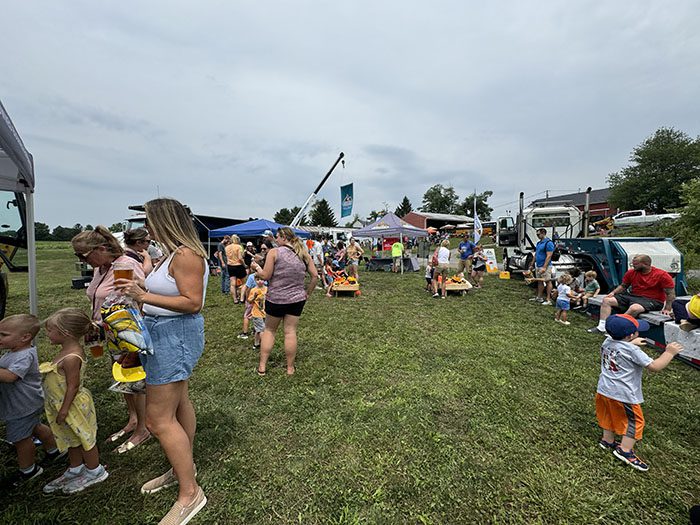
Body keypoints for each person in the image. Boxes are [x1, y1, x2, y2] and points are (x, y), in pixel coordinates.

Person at [116, 197, 208, 524]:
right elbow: (169, 294)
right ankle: (183, 467)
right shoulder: (170, 253)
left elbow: (192, 302)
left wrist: (143, 296)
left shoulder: (186, 255)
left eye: (149, 220)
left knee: (157, 420)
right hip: (164, 333)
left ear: (164, 220)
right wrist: (141, 288)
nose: (146, 228)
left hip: (175, 335)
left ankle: (190, 493)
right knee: (179, 401)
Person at [71, 226, 149, 453]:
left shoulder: (125, 265)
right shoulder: (100, 268)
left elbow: (142, 294)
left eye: (82, 255)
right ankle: (133, 419)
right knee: (120, 375)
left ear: (102, 248)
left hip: (127, 331)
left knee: (134, 378)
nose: (81, 260)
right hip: (108, 331)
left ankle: (143, 428)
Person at [595, 314, 683, 471]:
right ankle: (625, 450)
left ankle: (607, 440)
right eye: (636, 331)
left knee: (608, 414)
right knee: (634, 422)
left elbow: (619, 346)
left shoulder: (607, 341)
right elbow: (655, 366)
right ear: (630, 335)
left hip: (603, 390)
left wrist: (630, 343)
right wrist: (669, 352)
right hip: (623, 395)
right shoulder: (633, 351)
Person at [41, 308, 108, 494]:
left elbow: (73, 386)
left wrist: (64, 409)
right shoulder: (65, 350)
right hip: (62, 403)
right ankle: (76, 467)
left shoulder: (71, 357)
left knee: (84, 436)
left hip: (72, 406)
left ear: (66, 333)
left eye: (50, 330)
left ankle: (95, 470)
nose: (47, 334)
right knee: (71, 437)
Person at [0, 314, 61, 488]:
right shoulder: (15, 351)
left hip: (21, 405)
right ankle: (54, 450)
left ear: (25, 337)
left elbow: (11, 376)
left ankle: (29, 470)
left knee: (22, 439)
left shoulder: (24, 356)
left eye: (4, 335)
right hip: (27, 404)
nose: (0, 339)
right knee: (35, 426)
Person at [250, 227, 318, 376]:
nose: (275, 239)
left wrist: (256, 268)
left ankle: (262, 367)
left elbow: (266, 275)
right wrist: (307, 293)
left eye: (277, 236)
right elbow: (315, 276)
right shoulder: (303, 254)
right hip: (297, 300)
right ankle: (290, 368)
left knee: (269, 331)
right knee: (290, 332)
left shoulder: (274, 253)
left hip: (276, 299)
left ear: (283, 237)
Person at [587, 254, 675, 335]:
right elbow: (623, 286)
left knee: (634, 308)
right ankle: (602, 327)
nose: (633, 266)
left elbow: (670, 293)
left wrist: (667, 308)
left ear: (646, 264)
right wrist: (613, 293)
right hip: (633, 296)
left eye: (635, 264)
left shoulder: (662, 275)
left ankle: (617, 329)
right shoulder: (631, 272)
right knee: (607, 300)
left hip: (653, 300)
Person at [528, 228, 555, 305]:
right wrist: (532, 264)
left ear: (543, 233)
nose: (537, 236)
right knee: (540, 281)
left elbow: (549, 255)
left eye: (538, 234)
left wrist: (544, 267)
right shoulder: (539, 243)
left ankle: (548, 299)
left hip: (545, 266)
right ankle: (539, 297)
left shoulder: (549, 243)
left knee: (547, 281)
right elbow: (536, 254)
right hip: (538, 265)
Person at [248, 276, 268, 350]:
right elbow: (249, 301)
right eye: (258, 279)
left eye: (262, 279)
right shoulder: (253, 290)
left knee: (259, 330)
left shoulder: (267, 289)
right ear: (255, 280)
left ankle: (256, 344)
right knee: (262, 330)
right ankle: (265, 346)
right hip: (257, 313)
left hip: (266, 312)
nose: (260, 281)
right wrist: (254, 296)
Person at [225, 235, 246, 304]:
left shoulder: (227, 247)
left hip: (230, 266)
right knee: (244, 283)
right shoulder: (239, 247)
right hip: (238, 266)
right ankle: (242, 298)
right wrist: (244, 264)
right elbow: (240, 258)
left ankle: (235, 299)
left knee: (232, 284)